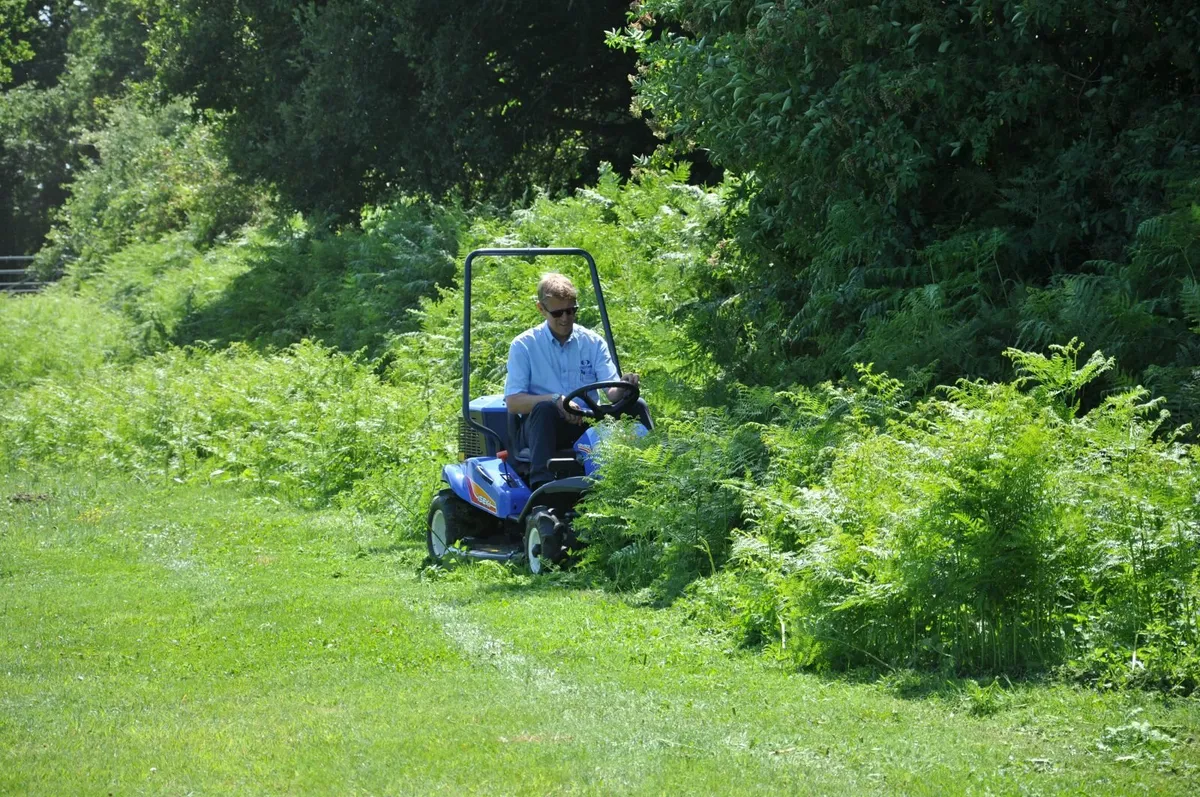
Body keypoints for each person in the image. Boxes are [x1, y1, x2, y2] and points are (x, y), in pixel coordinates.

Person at [503, 272, 639, 490]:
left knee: (637, 406)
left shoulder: (592, 342)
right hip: (542, 427)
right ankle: (543, 488)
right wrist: (557, 399)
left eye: (571, 310)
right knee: (545, 408)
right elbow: (513, 402)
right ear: (541, 309)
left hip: (586, 421)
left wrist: (626, 385)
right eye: (557, 313)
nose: (565, 318)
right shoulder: (524, 346)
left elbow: (611, 392)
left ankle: (641, 477)